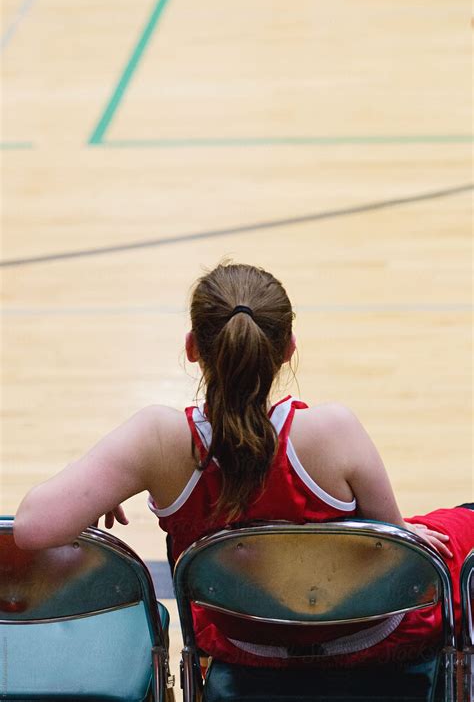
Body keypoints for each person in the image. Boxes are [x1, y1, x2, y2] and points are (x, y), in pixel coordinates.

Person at [14, 262, 473, 668]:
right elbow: (398, 552)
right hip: (368, 638)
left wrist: (103, 485)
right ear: (289, 348)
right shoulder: (334, 430)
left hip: (242, 642)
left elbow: (32, 528)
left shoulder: (155, 440)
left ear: (192, 347)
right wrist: (404, 531)